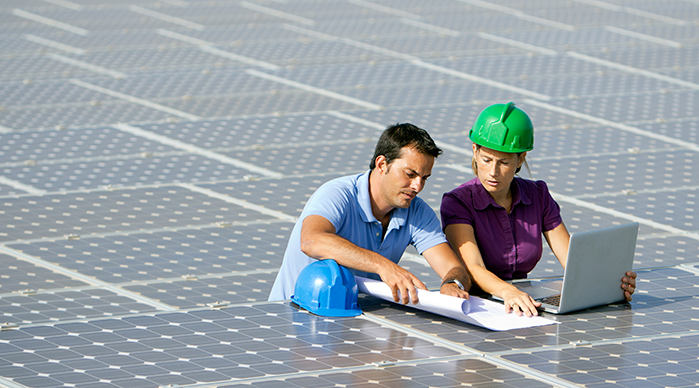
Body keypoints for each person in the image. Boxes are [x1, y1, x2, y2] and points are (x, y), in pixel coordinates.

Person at [441, 102, 637, 316]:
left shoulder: (538, 195)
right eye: (486, 160)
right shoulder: (458, 202)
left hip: (522, 303)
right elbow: (473, 267)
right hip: (477, 308)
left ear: (521, 158)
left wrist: (605, 285)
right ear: (474, 151)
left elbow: (571, 260)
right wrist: (509, 292)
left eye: (504, 162)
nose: (493, 172)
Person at [269, 123, 471, 305]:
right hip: (292, 314)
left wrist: (452, 284)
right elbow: (311, 240)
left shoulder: (417, 211)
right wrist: (383, 266)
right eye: (410, 174)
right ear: (382, 164)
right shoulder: (337, 194)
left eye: (424, 178)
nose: (418, 186)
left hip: (347, 318)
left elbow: (454, 268)